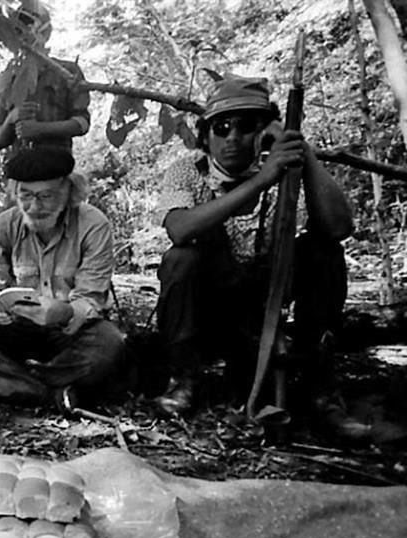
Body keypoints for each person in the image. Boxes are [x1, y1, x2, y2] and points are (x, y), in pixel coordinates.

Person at [152, 73, 368, 439]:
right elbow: (180, 229)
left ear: (265, 131)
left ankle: (321, 388)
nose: (233, 138)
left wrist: (301, 152)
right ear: (206, 135)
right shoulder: (187, 170)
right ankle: (184, 378)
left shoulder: (286, 165)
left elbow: (337, 227)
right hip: (212, 311)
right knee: (181, 259)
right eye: (222, 127)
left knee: (324, 252)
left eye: (247, 126)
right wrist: (262, 179)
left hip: (270, 301)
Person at [0, 147, 126, 411]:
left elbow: (91, 300)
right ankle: (50, 394)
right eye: (25, 195)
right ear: (15, 192)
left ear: (69, 192)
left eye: (46, 196)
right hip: (16, 330)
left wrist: (64, 312)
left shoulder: (94, 226)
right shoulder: (4, 226)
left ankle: (7, 385)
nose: (34, 206)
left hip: (69, 333)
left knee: (109, 342)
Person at [0, 2, 91, 160]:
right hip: (19, 173)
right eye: (19, 28)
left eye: (30, 26)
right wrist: (11, 119)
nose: (25, 33)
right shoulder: (8, 79)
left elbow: (82, 123)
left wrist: (41, 129)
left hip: (56, 169)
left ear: (45, 33)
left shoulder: (68, 72)